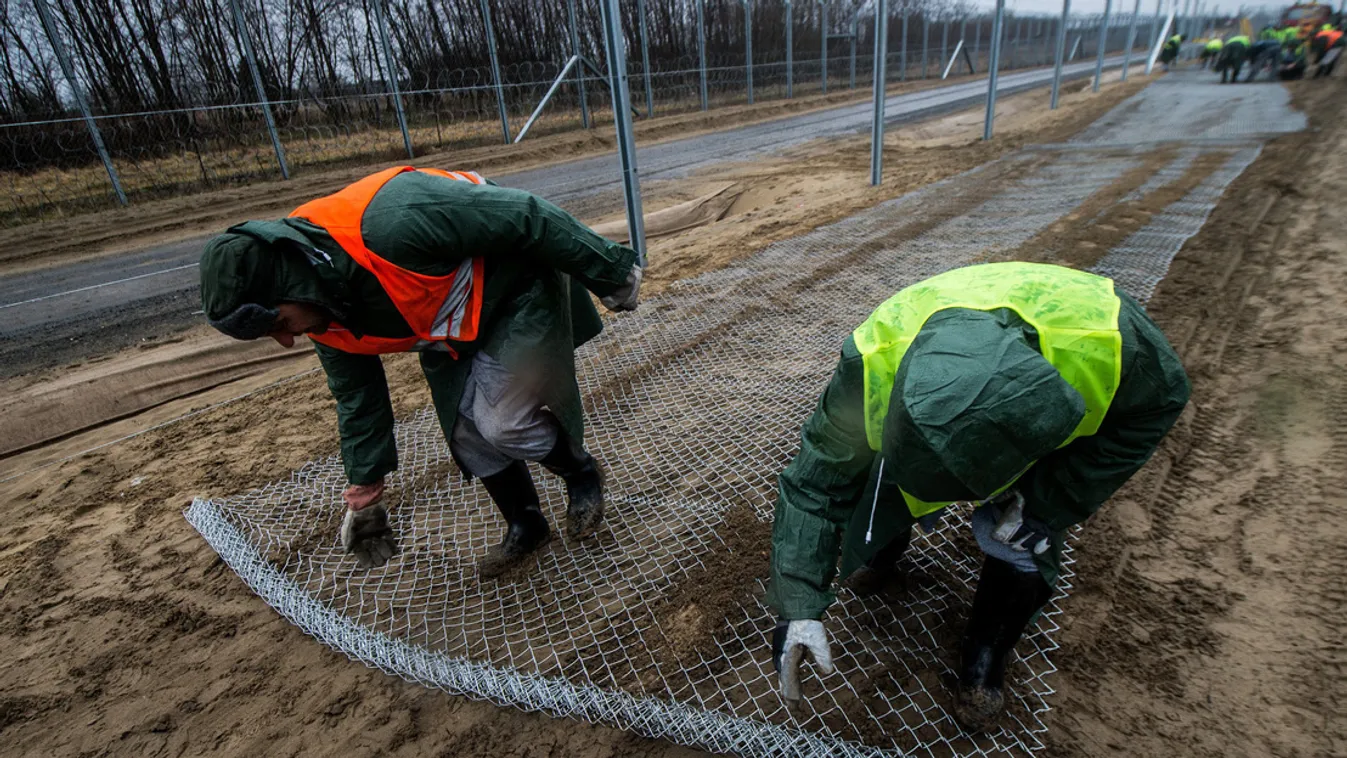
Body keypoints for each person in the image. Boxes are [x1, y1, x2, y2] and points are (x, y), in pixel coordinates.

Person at [767, 262, 1190, 731]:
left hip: (1043, 414)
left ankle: (985, 654)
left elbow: (1159, 405)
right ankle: (882, 552)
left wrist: (1051, 500)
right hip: (919, 410)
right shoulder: (872, 361)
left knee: (1025, 534)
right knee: (873, 484)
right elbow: (815, 485)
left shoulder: (1117, 344)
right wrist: (798, 606)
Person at [200, 167, 642, 576]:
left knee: (502, 421)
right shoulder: (322, 310)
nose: (287, 340)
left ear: (289, 284)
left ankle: (581, 474)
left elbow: (523, 213)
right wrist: (365, 491)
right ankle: (526, 523)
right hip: (450, 325)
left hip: (516, 291)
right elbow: (359, 397)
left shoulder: (393, 222)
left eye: (279, 324)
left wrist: (610, 270)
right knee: (464, 429)